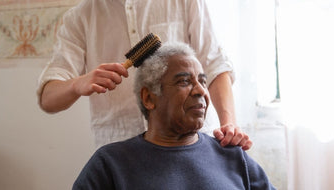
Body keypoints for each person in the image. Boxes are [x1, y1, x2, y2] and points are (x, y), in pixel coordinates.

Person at [36, 0, 252, 149]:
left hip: (190, 144)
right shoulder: (80, 17)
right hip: (121, 154)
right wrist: (77, 84)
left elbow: (215, 65)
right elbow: (48, 98)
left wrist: (229, 124)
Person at [72, 42, 275, 190]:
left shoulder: (232, 155)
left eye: (203, 82)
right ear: (149, 98)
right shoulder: (110, 164)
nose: (200, 91)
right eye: (184, 82)